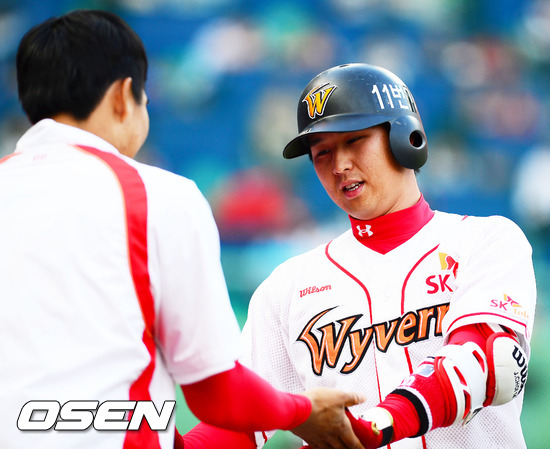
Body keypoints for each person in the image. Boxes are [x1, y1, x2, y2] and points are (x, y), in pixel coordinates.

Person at [0, 11, 367, 449]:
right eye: (144, 99)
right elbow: (216, 391)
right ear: (122, 96)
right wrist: (302, 412)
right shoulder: (157, 196)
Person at [185, 63, 537, 448]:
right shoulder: (286, 288)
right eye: (322, 152)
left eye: (354, 141)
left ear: (406, 137)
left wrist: (370, 429)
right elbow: (240, 422)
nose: (340, 166)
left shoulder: (486, 241)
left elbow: (486, 360)